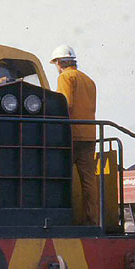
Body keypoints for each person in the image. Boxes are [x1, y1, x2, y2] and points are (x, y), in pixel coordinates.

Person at [50, 45, 99, 225]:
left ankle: (60, 219)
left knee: (59, 178)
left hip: (70, 136)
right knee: (89, 182)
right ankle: (91, 220)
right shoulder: (89, 80)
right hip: (89, 135)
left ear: (59, 62)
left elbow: (65, 105)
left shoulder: (65, 77)